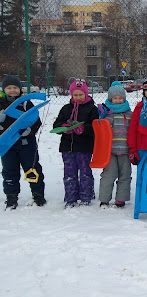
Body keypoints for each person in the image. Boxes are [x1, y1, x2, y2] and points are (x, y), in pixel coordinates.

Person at [52, 79, 99, 208]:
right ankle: (70, 197)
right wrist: (64, 127)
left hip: (84, 147)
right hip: (67, 147)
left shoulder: (92, 109)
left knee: (85, 172)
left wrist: (83, 129)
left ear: (86, 94)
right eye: (75, 95)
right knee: (69, 173)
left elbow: (96, 127)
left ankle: (86, 196)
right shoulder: (66, 109)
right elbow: (56, 125)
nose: (78, 97)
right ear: (71, 95)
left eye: (81, 95)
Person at [0, 76, 45, 209]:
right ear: (4, 89)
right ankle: (11, 196)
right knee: (9, 171)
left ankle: (38, 193)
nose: (12, 90)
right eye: (9, 88)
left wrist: (30, 130)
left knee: (32, 168)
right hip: (7, 145)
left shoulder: (26, 104)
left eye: (15, 87)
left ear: (20, 89)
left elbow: (36, 121)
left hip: (26, 143)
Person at [97, 82, 133, 208]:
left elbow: (133, 129)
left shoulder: (129, 114)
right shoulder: (106, 113)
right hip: (110, 151)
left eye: (120, 98)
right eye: (115, 98)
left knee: (125, 175)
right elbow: (100, 130)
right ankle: (104, 199)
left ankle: (120, 199)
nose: (118, 100)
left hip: (125, 150)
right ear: (110, 99)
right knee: (108, 175)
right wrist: (101, 118)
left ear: (124, 98)